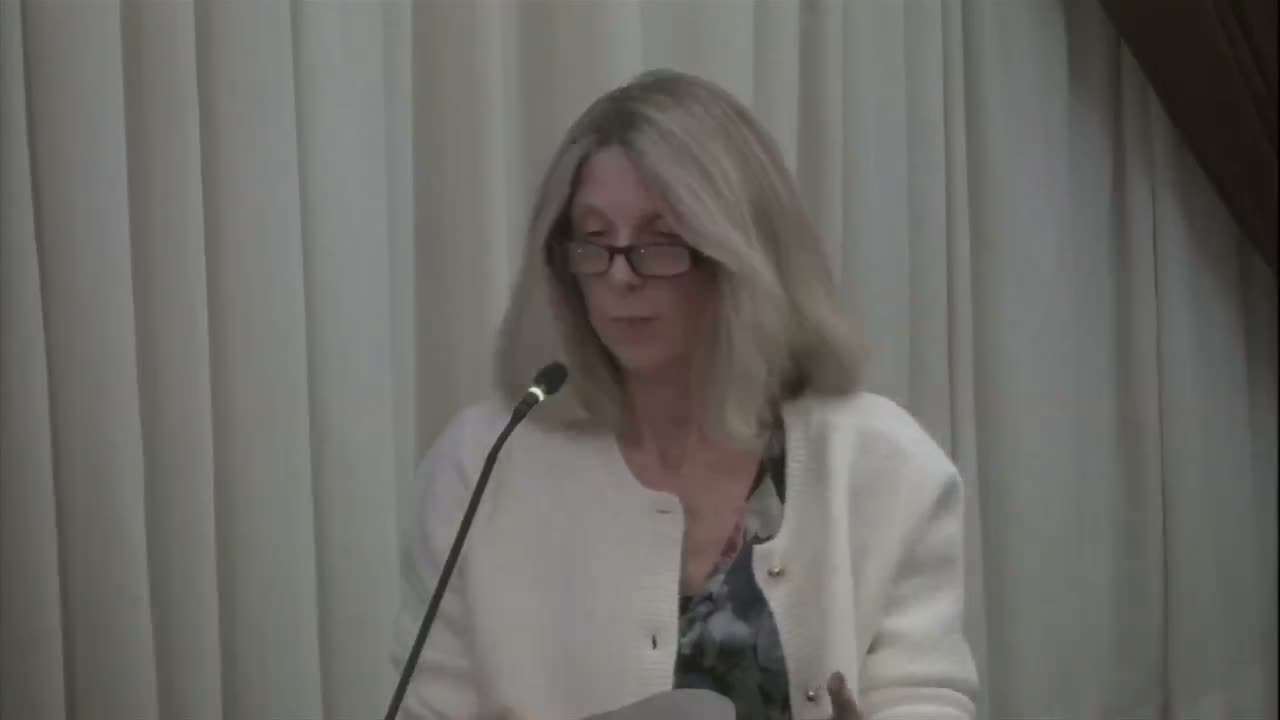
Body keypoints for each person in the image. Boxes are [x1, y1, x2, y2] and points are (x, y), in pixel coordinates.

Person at [393, 69, 979, 720]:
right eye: (594, 241)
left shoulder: (883, 463)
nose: (621, 276)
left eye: (660, 241)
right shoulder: (480, 464)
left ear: (743, 257)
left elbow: (926, 696)